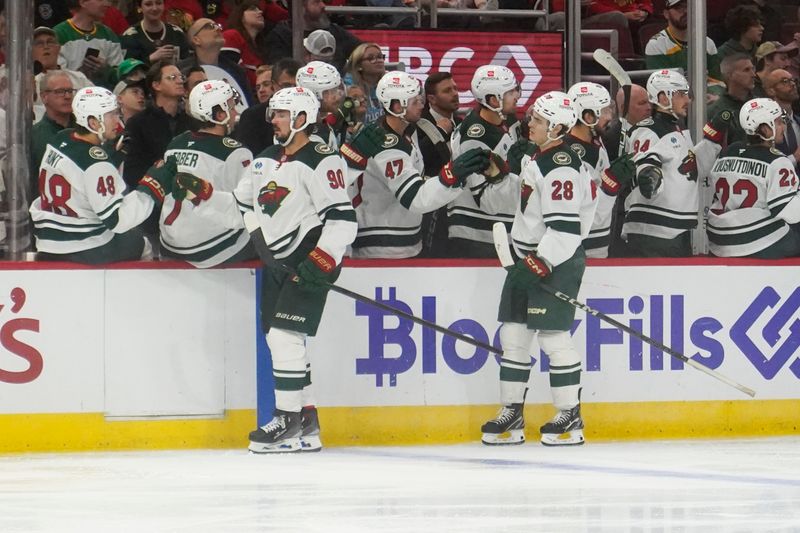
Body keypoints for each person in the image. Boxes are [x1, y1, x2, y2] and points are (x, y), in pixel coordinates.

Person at [175, 88, 358, 453]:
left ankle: (287, 421)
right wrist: (205, 194)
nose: (272, 120)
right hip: (276, 260)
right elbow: (241, 210)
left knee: (284, 338)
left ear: (302, 118)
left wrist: (321, 262)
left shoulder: (322, 159)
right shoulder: (264, 159)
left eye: (281, 114)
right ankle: (306, 422)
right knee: (284, 339)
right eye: (273, 113)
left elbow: (341, 220)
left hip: (309, 260)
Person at [481, 91, 596, 447]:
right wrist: (502, 177)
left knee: (553, 337)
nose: (530, 123)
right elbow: (530, 204)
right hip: (528, 258)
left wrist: (539, 262)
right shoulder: (539, 157)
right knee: (513, 335)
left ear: (558, 127)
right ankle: (512, 412)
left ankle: (570, 414)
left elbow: (564, 229)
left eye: (539, 120)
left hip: (554, 261)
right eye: (533, 117)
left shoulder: (560, 164)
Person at [340, 71, 490, 259]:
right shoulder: (387, 147)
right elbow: (415, 198)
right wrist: (451, 176)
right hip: (383, 248)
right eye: (415, 101)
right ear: (396, 106)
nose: (422, 105)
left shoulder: (409, 131)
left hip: (405, 241)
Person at [29, 87, 172, 263]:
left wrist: (112, 154)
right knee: (142, 243)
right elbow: (118, 220)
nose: (118, 122)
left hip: (47, 241)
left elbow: (80, 172)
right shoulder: (97, 163)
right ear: (93, 123)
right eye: (111, 115)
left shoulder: (61, 138)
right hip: (84, 245)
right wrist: (152, 184)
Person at [159, 80, 255, 267]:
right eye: (232, 108)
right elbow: (247, 205)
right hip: (211, 248)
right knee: (273, 242)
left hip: (170, 244)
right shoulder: (236, 152)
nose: (235, 113)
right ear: (220, 115)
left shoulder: (175, 143)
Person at [707, 98, 800, 258]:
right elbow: (790, 212)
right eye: (778, 122)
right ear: (764, 129)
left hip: (720, 239)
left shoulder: (727, 151)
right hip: (754, 241)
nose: (783, 126)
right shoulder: (778, 161)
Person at [448, 65, 521, 258]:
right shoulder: (476, 138)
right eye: (511, 92)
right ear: (493, 99)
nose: (517, 95)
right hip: (477, 236)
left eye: (516, 88)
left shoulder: (505, 118)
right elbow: (487, 201)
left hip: (497, 233)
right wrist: (512, 169)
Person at [623, 70, 695, 257]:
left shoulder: (676, 127)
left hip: (670, 229)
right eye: (681, 94)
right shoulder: (648, 130)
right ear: (663, 97)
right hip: (654, 231)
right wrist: (649, 175)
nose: (688, 100)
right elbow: (644, 165)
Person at [565, 82, 633, 259]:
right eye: (604, 111)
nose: (610, 116)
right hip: (578, 251)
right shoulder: (569, 155)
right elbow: (580, 210)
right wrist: (610, 184)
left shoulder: (595, 140)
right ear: (588, 117)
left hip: (600, 244)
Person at [122, 60, 192, 189]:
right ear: (156, 85)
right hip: (152, 195)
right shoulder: (139, 123)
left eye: (181, 77)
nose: (180, 81)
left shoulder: (192, 121)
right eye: (172, 78)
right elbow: (132, 171)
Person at [417, 72, 461, 258]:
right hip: (428, 209)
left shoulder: (462, 124)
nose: (455, 93)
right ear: (432, 99)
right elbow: (419, 157)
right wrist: (439, 131)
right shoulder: (417, 122)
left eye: (455, 88)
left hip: (456, 207)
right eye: (447, 90)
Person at [644, 0, 724, 98]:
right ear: (666, 14)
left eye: (688, 6)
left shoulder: (707, 43)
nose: (685, 11)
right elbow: (661, 87)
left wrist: (715, 96)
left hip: (706, 100)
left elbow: (717, 81)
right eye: (679, 8)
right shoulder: (656, 45)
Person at [264, 0, 360, 73]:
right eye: (316, 2)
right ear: (300, 7)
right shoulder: (280, 36)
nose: (323, 6)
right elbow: (282, 72)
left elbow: (361, 50)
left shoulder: (335, 31)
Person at [182, 18, 254, 110]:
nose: (217, 29)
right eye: (209, 26)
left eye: (218, 26)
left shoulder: (236, 71)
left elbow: (248, 104)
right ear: (196, 40)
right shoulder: (181, 70)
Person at [53, 0, 125, 88]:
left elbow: (121, 77)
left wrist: (106, 70)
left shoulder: (109, 35)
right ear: (83, 2)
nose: (108, 4)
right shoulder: (59, 34)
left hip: (104, 97)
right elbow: (55, 78)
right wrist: (82, 72)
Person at [31, 72, 77, 200]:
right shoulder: (34, 136)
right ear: (44, 96)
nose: (67, 96)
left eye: (70, 91)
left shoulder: (86, 130)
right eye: (60, 91)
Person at [33, 26, 92, 121]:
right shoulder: (27, 81)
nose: (46, 47)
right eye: (39, 44)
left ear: (58, 48)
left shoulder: (78, 77)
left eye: (50, 42)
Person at [705, 54, 756, 149]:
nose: (753, 75)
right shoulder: (716, 111)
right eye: (746, 70)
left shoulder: (761, 105)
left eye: (753, 69)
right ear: (730, 75)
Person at [296, 61, 348, 149]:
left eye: (338, 88)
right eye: (332, 91)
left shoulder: (323, 122)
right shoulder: (307, 134)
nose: (338, 96)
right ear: (314, 95)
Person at [121, 0, 190, 65]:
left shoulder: (176, 33)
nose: (155, 8)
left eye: (158, 3)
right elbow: (128, 70)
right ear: (140, 8)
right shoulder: (130, 36)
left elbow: (188, 63)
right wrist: (151, 58)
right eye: (148, 4)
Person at [221, 0, 267, 88]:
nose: (260, 12)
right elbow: (230, 72)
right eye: (252, 9)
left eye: (259, 9)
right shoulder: (231, 36)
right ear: (240, 16)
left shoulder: (259, 47)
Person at [345, 43, 387, 126]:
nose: (378, 60)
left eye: (380, 57)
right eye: (371, 58)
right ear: (358, 65)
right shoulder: (349, 88)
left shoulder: (389, 83)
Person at [765, 69, 800, 168]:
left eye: (793, 80)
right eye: (785, 81)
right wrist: (795, 157)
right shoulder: (765, 128)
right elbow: (766, 164)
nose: (793, 84)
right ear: (770, 90)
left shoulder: (798, 121)